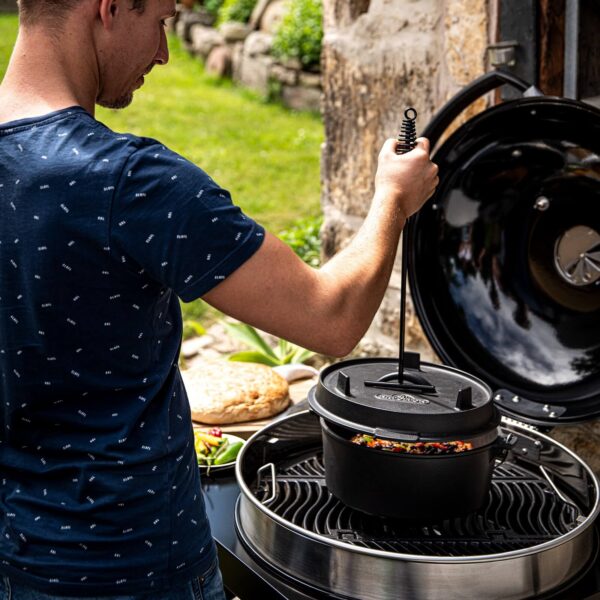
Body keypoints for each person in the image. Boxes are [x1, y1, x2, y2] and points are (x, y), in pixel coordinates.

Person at [0, 0, 439, 598]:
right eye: (161, 21)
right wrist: (393, 197)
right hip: (135, 566)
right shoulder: (130, 182)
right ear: (106, 9)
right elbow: (331, 318)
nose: (162, 52)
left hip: (17, 555)